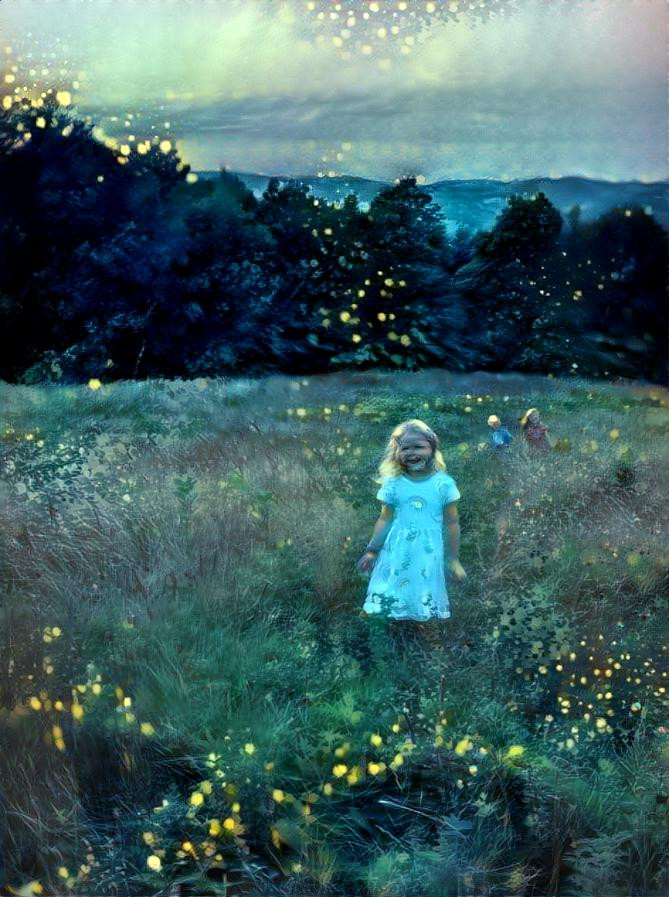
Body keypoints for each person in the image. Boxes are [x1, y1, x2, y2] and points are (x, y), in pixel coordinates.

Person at [355, 419, 466, 622]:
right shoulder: (394, 484)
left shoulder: (443, 484)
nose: (412, 453)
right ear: (397, 452)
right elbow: (385, 518)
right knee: (389, 586)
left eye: (419, 447)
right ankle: (381, 625)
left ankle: (418, 624)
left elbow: (452, 523)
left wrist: (453, 559)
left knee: (421, 587)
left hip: (427, 552)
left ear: (432, 448)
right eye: (405, 448)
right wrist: (372, 551)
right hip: (395, 549)